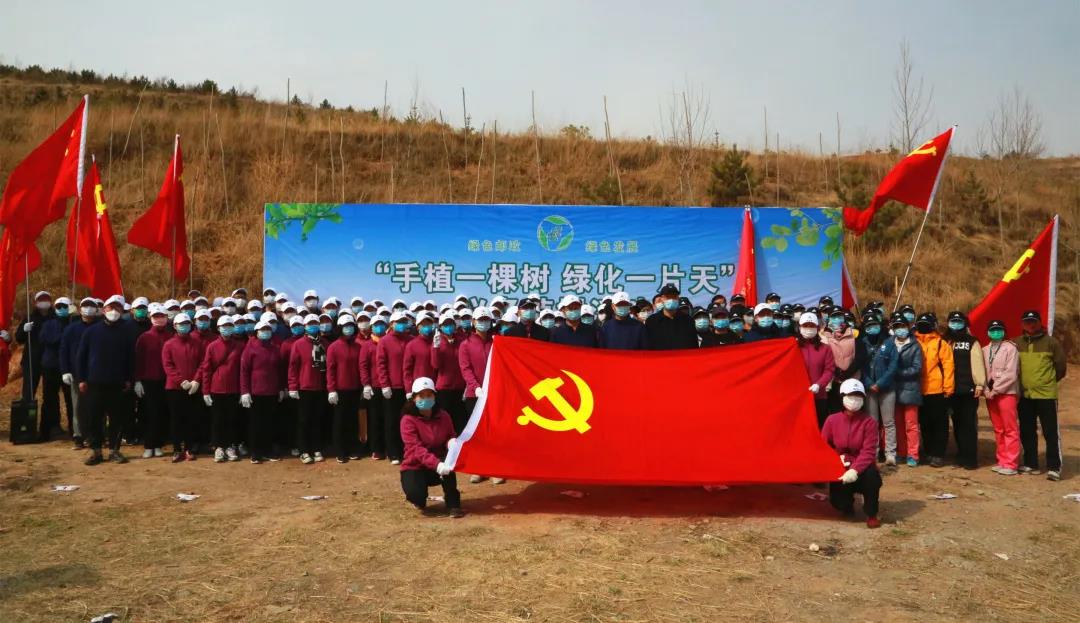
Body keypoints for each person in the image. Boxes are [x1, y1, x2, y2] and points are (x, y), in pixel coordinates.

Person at [75, 296, 135, 465]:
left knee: (116, 418)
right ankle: (96, 451)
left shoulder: (126, 332)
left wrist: (129, 378)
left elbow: (131, 358)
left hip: (117, 383)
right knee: (94, 417)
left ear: (122, 311)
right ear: (103, 310)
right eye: (110, 308)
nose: (114, 311)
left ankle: (114, 450)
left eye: (117, 308)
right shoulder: (91, 331)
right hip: (94, 382)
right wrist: (81, 379)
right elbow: (81, 357)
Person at [821, 379, 882, 529]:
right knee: (838, 502)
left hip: (862, 465)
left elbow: (868, 451)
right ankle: (846, 506)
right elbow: (823, 445)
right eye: (851, 396)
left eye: (858, 396)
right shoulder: (832, 420)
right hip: (841, 464)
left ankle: (871, 513)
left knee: (872, 478)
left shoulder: (869, 422)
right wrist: (835, 459)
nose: (854, 400)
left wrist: (855, 470)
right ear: (843, 397)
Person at [399, 377, 463, 517]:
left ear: (434, 396)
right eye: (421, 396)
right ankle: (418, 498)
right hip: (415, 465)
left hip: (440, 461)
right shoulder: (407, 420)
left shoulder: (444, 416)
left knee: (449, 462)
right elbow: (415, 448)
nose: (426, 399)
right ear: (414, 398)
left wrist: (451, 442)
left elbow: (450, 435)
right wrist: (436, 464)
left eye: (429, 395)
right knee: (416, 495)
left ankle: (453, 503)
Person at [1016, 310, 1067, 480]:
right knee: (1027, 430)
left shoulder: (1051, 343)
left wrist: (1046, 382)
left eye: (1033, 321)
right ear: (1022, 324)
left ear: (1039, 322)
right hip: (1025, 395)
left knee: (1050, 432)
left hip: (1046, 395)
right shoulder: (1017, 343)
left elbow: (1061, 367)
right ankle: (1031, 464)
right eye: (1027, 321)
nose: (1030, 324)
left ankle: (1054, 467)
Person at [942, 311, 987, 470]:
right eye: (953, 321)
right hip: (950, 390)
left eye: (959, 321)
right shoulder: (945, 340)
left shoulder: (972, 341)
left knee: (968, 424)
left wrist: (980, 384)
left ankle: (970, 459)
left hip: (968, 390)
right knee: (957, 423)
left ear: (965, 323)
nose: (955, 324)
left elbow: (977, 363)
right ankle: (960, 455)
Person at [201, 314, 245, 462]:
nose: (227, 329)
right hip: (216, 389)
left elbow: (242, 370)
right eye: (224, 326)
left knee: (232, 419)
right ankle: (219, 447)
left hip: (234, 389)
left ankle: (230, 446)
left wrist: (243, 390)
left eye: (229, 326)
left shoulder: (239, 346)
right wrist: (205, 391)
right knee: (217, 420)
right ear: (219, 328)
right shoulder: (212, 346)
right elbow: (207, 369)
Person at [241, 318, 284, 464]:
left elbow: (279, 371)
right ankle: (256, 452)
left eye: (268, 330)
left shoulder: (275, 349)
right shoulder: (250, 349)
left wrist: (280, 388)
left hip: (271, 392)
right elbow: (244, 371)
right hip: (256, 392)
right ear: (256, 332)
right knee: (255, 424)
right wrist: (245, 391)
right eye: (262, 330)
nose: (265, 332)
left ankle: (268, 450)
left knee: (269, 423)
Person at [914, 313, 955, 468]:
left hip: (937, 390)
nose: (924, 326)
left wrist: (948, 388)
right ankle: (928, 451)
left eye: (927, 323)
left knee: (940, 424)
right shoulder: (913, 341)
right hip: (918, 390)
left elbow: (948, 366)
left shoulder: (940, 343)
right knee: (924, 424)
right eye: (921, 323)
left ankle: (938, 454)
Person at [162, 313, 203, 463]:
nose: (184, 326)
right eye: (181, 324)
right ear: (174, 326)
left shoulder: (197, 343)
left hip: (193, 388)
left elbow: (202, 363)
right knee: (176, 419)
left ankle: (189, 448)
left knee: (191, 419)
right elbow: (168, 365)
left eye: (186, 323)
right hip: (174, 388)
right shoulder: (169, 344)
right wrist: (180, 381)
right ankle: (176, 449)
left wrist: (196, 380)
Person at [859, 313, 899, 466]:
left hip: (887, 388)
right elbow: (860, 367)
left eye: (875, 325)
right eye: (869, 326)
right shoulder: (861, 343)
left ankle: (890, 453)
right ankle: (873, 452)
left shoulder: (889, 343)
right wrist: (869, 383)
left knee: (889, 422)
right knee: (872, 423)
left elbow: (893, 365)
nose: (872, 328)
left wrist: (881, 383)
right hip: (869, 389)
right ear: (865, 328)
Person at [289, 315, 329, 464]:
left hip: (320, 387)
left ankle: (316, 448)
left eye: (315, 323)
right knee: (304, 420)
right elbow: (293, 367)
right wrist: (293, 386)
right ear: (305, 326)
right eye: (310, 323)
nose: (313, 326)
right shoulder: (299, 344)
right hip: (304, 387)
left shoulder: (324, 343)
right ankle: (304, 450)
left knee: (317, 420)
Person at [982, 320, 1020, 475]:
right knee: (998, 428)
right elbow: (982, 371)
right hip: (990, 394)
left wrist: (996, 389)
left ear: (1004, 331)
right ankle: (1002, 460)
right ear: (988, 332)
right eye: (992, 329)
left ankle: (1011, 463)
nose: (995, 332)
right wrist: (985, 388)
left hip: (1006, 392)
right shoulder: (985, 349)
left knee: (1010, 428)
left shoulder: (1011, 348)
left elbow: (1011, 373)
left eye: (998, 329)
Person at [133, 304, 171, 458]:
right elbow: (138, 360)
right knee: (149, 413)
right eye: (156, 316)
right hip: (149, 381)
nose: (159, 319)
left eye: (162, 316)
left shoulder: (170, 337)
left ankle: (158, 444)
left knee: (162, 413)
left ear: (166, 318)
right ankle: (149, 445)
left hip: (166, 381)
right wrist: (137, 380)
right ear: (151, 318)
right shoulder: (144, 338)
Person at [60, 298, 98, 448]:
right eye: (85, 306)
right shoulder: (71, 329)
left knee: (96, 406)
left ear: (96, 310)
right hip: (77, 373)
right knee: (78, 406)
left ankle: (95, 435)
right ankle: (78, 436)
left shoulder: (101, 327)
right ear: (80, 309)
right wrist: (65, 370)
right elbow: (63, 350)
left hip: (96, 373)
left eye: (91, 306)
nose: (88, 309)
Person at [377, 311, 413, 464]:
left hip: (409, 388)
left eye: (404, 321)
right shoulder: (384, 341)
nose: (402, 324)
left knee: (408, 421)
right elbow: (381, 364)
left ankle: (407, 451)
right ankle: (393, 453)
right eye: (399, 322)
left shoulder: (411, 340)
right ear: (391, 324)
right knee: (392, 421)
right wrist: (385, 384)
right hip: (392, 387)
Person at [326, 314, 362, 462]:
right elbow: (330, 370)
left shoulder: (358, 346)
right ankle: (340, 450)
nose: (348, 329)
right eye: (346, 326)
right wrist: (331, 389)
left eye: (351, 326)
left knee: (353, 420)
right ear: (340, 328)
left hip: (355, 388)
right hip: (340, 390)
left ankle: (353, 448)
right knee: (340, 421)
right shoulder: (333, 347)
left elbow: (361, 368)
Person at [38, 296, 74, 440]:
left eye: (65, 306)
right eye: (59, 306)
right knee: (49, 399)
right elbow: (45, 339)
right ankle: (47, 430)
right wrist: (64, 336)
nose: (61, 309)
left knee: (71, 399)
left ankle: (74, 429)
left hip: (69, 367)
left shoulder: (74, 323)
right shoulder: (49, 323)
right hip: (51, 365)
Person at [892, 313, 924, 467]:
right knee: (898, 424)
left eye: (903, 326)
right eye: (897, 326)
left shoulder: (915, 345)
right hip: (893, 390)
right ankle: (901, 452)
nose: (900, 329)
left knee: (911, 425)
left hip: (910, 389)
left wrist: (898, 372)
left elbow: (917, 368)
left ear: (908, 327)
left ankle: (913, 454)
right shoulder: (889, 344)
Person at [431, 310, 467, 434]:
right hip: (444, 388)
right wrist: (435, 348)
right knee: (444, 419)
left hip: (460, 386)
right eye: (445, 324)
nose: (448, 327)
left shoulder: (461, 341)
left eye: (451, 323)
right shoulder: (437, 340)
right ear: (441, 327)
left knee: (460, 419)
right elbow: (435, 365)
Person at [823, 309, 866, 414]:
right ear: (829, 320)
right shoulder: (824, 337)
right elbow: (824, 358)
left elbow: (860, 357)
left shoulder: (854, 334)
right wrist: (836, 371)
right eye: (834, 317)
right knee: (835, 412)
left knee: (853, 411)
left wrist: (847, 373)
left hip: (852, 380)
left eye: (839, 317)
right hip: (834, 382)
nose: (837, 320)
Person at [797, 313, 834, 428]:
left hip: (819, 396)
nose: (808, 328)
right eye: (805, 325)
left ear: (817, 328)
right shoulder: (793, 347)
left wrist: (819, 384)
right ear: (800, 327)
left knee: (819, 427)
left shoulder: (826, 348)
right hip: (799, 397)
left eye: (812, 325)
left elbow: (829, 370)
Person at [16, 290, 54, 404]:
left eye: (46, 299)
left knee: (50, 393)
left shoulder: (55, 318)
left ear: (50, 302)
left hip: (51, 359)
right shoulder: (30, 318)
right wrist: (24, 330)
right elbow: (19, 338)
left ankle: (49, 416)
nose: (44, 302)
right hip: (31, 360)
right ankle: (27, 413)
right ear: (36, 302)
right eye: (41, 300)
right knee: (28, 392)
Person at [359, 315, 387, 459]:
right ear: (372, 327)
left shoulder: (388, 342)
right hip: (374, 386)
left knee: (388, 418)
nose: (379, 327)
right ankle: (376, 448)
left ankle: (388, 446)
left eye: (381, 324)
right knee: (374, 419)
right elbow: (363, 366)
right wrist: (366, 384)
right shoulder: (367, 345)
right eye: (376, 325)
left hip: (388, 386)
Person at [645, 284, 697, 350]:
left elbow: (694, 345)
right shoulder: (651, 321)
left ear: (678, 298)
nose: (671, 299)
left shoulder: (688, 320)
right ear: (662, 299)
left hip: (683, 356)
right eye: (668, 297)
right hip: (660, 356)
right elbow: (648, 346)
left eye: (674, 297)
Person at [403, 311, 438, 394]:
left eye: (428, 324)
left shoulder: (436, 341)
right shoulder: (411, 345)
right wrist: (408, 389)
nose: (427, 326)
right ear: (418, 327)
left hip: (435, 386)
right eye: (423, 324)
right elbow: (407, 370)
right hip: (418, 387)